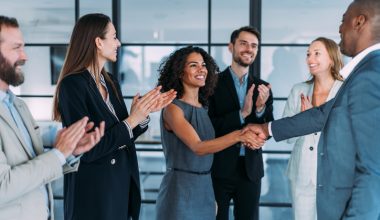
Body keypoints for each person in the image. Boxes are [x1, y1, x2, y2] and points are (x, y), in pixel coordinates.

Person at [245, 0, 380, 219]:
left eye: (342, 20)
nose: (339, 28)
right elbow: (322, 115)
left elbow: (375, 169)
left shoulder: (371, 73)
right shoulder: (362, 73)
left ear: (359, 22)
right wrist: (267, 128)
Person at [52, 13, 176, 220]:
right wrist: (132, 120)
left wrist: (143, 114)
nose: (118, 43)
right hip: (92, 193)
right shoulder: (72, 85)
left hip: (119, 186)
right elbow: (88, 150)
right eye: (114, 37)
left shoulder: (110, 82)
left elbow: (122, 135)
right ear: (98, 42)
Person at [0, 15, 104, 220]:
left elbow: (35, 167)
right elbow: (3, 186)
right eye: (16, 48)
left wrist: (69, 152)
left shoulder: (17, 105)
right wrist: (58, 154)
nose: (25, 56)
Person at [155, 46, 265, 220]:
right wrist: (239, 135)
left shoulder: (204, 108)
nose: (201, 69)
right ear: (180, 72)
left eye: (203, 65)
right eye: (193, 65)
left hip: (206, 188)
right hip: (180, 189)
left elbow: (215, 143)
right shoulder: (173, 108)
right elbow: (198, 147)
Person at [208, 26, 274, 220]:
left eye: (254, 45)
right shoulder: (212, 84)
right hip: (219, 168)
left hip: (250, 170)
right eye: (243, 43)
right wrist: (242, 113)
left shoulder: (263, 88)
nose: (249, 49)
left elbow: (270, 129)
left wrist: (260, 109)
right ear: (231, 47)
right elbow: (209, 126)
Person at [282, 37, 344, 220]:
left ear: (332, 58)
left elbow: (347, 134)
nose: (310, 59)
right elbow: (287, 136)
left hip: (334, 174)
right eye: (308, 54)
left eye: (317, 53)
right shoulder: (298, 90)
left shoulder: (344, 90)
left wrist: (313, 118)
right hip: (302, 174)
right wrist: (303, 120)